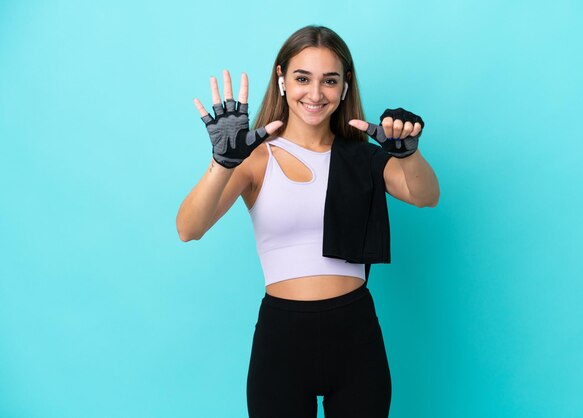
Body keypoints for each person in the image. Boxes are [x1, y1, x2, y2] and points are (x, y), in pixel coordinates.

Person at [176, 25, 439, 418]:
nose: (315, 94)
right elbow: (189, 229)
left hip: (356, 336)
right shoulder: (256, 158)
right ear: (281, 79)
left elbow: (425, 196)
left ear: (345, 86)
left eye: (329, 81)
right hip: (281, 341)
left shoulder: (362, 156)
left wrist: (407, 155)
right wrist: (221, 163)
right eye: (302, 78)